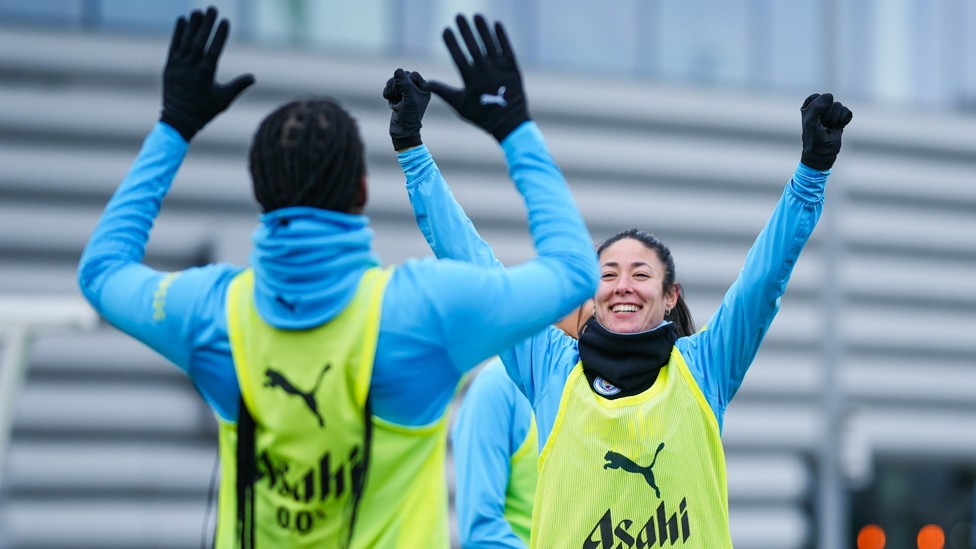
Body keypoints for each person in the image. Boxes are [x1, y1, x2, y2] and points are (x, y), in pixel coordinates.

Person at [77, 7, 597, 548]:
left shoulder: (211, 313)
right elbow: (574, 270)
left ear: (259, 191)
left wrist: (174, 127)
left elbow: (101, 271)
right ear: (362, 194)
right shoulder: (423, 311)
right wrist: (512, 127)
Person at [391, 24, 852, 545]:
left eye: (641, 274)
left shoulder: (706, 368)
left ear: (669, 295)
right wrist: (413, 153)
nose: (623, 286)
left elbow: (763, 280)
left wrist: (812, 171)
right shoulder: (548, 368)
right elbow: (474, 265)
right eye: (608, 274)